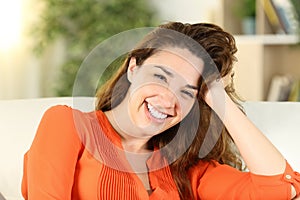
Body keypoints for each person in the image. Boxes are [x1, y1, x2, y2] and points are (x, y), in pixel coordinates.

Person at [21, 22, 300, 200]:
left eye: (186, 91)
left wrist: (218, 96)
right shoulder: (68, 125)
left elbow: (279, 189)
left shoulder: (187, 170)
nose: (168, 101)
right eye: (161, 77)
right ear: (134, 68)